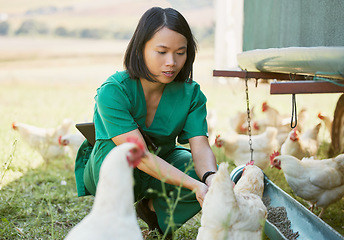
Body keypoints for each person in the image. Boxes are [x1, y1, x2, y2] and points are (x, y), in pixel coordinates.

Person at [74, 6, 217, 237]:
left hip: (162, 160)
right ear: (140, 50)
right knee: (121, 151)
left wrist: (211, 180)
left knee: (201, 172)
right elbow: (139, 155)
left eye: (181, 52)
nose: (172, 62)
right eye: (162, 52)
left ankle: (153, 212)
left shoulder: (191, 95)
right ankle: (112, 221)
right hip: (113, 166)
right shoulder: (113, 91)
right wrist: (193, 185)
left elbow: (200, 147)